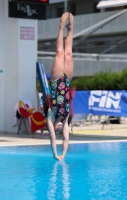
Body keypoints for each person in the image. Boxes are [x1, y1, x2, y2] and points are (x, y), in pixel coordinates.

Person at [44, 12, 74, 161]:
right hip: (67, 80)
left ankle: (61, 27)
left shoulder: (51, 115)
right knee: (68, 53)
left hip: (56, 80)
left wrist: (55, 154)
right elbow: (66, 138)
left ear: (54, 128)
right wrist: (63, 155)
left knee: (59, 52)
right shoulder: (65, 117)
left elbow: (51, 136)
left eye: (57, 130)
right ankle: (70, 29)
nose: (60, 129)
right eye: (61, 130)